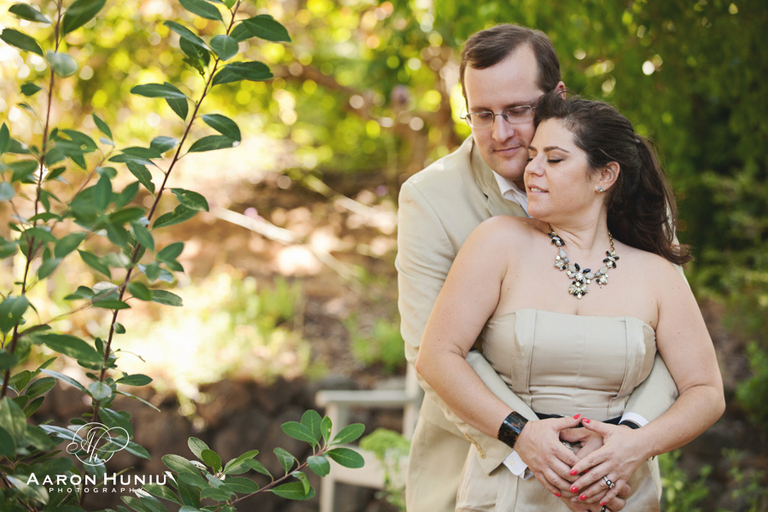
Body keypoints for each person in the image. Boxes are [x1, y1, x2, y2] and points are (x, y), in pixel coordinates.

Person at [396, 24, 678, 512]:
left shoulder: (627, 189)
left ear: (556, 97)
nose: (499, 133)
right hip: (479, 469)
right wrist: (530, 445)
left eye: (517, 111)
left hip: (615, 478)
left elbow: (674, 347)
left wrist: (623, 444)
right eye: (481, 115)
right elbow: (431, 348)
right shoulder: (430, 198)